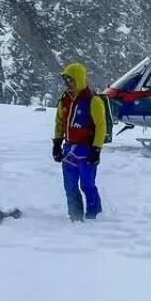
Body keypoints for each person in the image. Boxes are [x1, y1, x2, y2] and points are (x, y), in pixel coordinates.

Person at [52, 62, 106, 221]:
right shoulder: (64, 100)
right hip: (69, 149)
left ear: (80, 79)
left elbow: (101, 126)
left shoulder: (93, 101)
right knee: (69, 185)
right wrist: (56, 143)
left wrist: (96, 149)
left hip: (87, 149)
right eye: (66, 81)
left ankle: (93, 214)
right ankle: (75, 216)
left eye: (71, 80)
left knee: (87, 184)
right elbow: (60, 122)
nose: (68, 85)